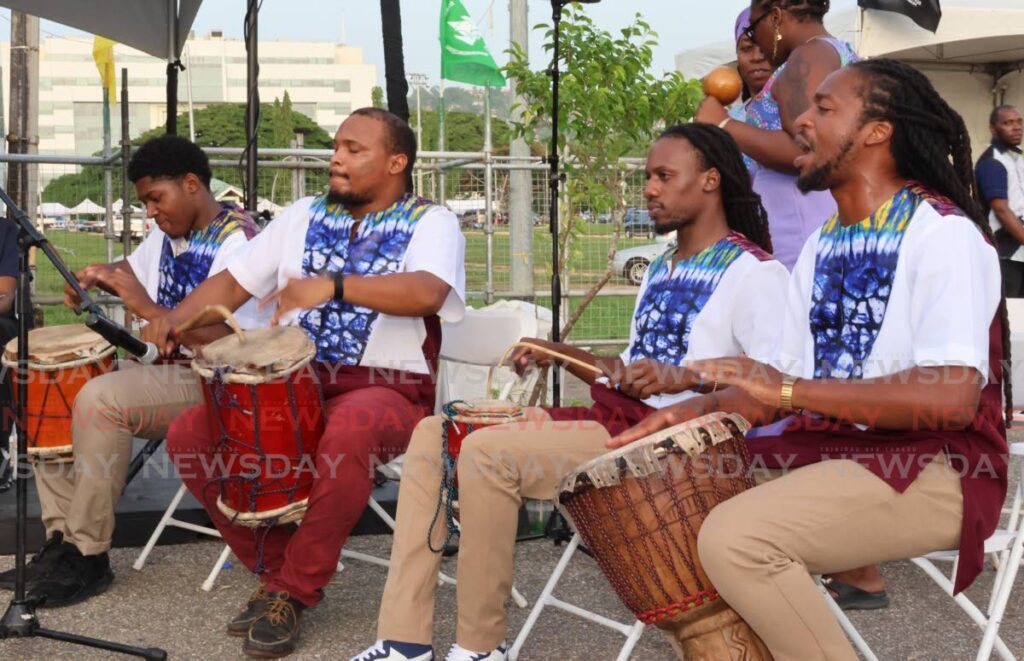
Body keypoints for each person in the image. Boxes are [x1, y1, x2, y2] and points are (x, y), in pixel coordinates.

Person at [610, 59, 1010, 659]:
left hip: (937, 469)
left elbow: (948, 396)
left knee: (738, 537)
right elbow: (771, 382)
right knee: (673, 502)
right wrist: (692, 411)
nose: (799, 121)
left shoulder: (943, 235)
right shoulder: (825, 243)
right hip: (831, 452)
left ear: (877, 130)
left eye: (824, 109)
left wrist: (790, 394)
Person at [350, 123, 789, 661]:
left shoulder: (755, 273)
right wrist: (556, 350)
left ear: (710, 181)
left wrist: (689, 377)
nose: (649, 188)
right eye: (648, 176)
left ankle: (481, 648)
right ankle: (402, 642)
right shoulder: (661, 267)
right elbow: (625, 372)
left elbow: (774, 385)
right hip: (620, 424)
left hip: (675, 452)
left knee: (486, 455)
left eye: (663, 176)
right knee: (434, 434)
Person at [144, 108, 466, 659]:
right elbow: (233, 280)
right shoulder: (299, 216)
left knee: (347, 435)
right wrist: (175, 319)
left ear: (396, 162)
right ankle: (277, 573)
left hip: (389, 388)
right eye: (336, 146)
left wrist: (333, 286)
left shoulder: (432, 222)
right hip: (296, 385)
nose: (336, 157)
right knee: (192, 436)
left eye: (353, 149)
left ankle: (294, 591)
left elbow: (427, 293)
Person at [0, 134, 265, 606]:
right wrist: (98, 273)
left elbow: (235, 344)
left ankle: (88, 553)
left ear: (190, 184)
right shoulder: (170, 236)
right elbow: (131, 268)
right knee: (50, 376)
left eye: (155, 199)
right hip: (171, 369)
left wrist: (148, 308)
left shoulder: (239, 242)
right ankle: (61, 542)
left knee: (101, 398)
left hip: (222, 381)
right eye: (146, 202)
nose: (151, 212)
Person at [697, 0, 858, 270]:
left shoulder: (807, 57)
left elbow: (806, 150)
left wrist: (724, 124)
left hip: (800, 229)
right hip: (809, 220)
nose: (756, 41)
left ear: (774, 18)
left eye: (754, 29)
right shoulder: (829, 51)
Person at [977, 104, 1024, 297]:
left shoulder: (1017, 158)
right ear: (993, 128)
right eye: (1008, 123)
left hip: (1019, 251)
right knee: (1010, 316)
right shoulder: (992, 162)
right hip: (1005, 252)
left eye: (1019, 121)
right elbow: (1001, 210)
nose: (1016, 127)